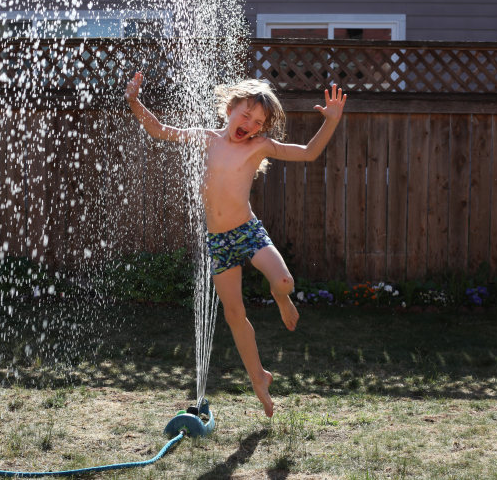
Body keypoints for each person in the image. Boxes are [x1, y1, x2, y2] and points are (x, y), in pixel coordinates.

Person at [124, 71, 346, 417]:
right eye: (246, 114)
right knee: (234, 313)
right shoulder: (206, 138)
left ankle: (281, 297)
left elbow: (308, 153)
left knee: (284, 280)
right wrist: (135, 102)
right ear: (229, 108)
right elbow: (159, 131)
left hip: (247, 231)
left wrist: (331, 121)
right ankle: (259, 378)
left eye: (258, 122)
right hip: (219, 241)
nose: (250, 124)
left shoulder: (259, 146)